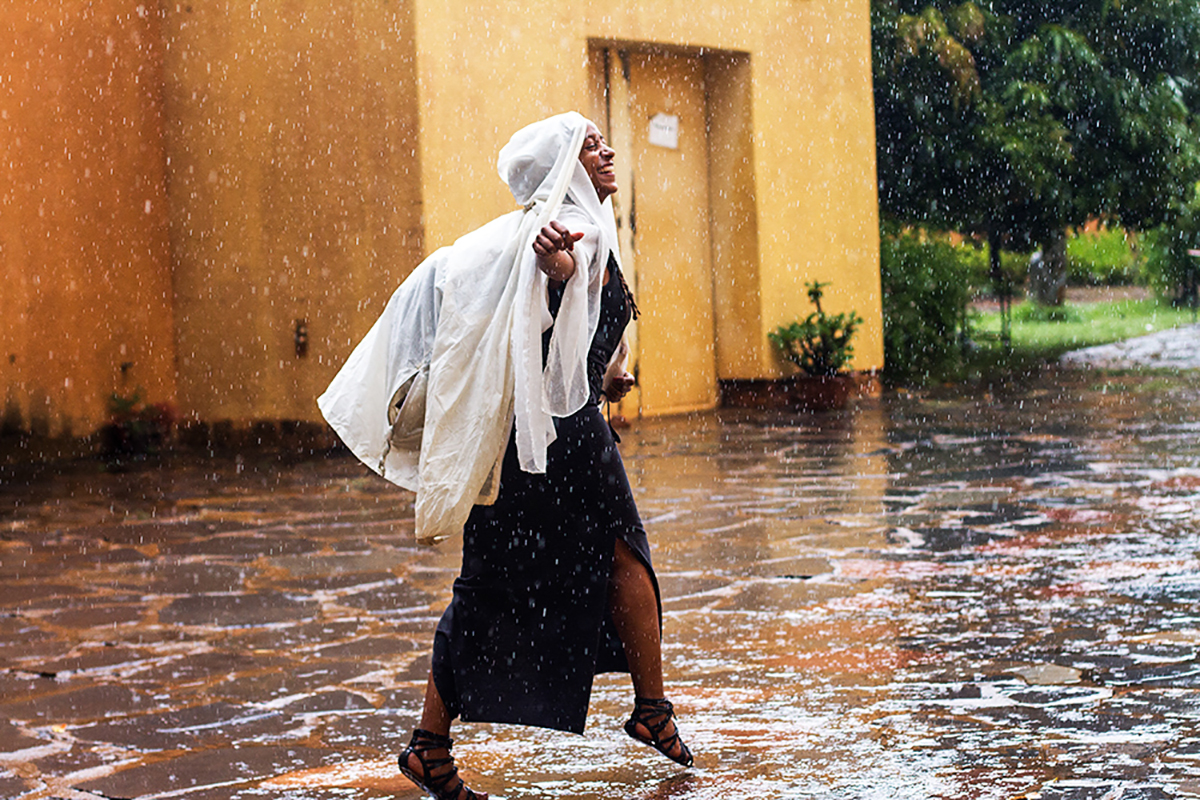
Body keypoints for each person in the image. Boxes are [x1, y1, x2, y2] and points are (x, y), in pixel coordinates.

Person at [393, 114, 693, 800]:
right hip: (548, 442)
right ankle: (650, 712)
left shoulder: (591, 227)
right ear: (563, 167)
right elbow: (555, 274)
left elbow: (565, 338)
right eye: (589, 144)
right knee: (612, 560)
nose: (606, 148)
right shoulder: (557, 234)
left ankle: (429, 745)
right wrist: (555, 268)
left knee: (496, 583)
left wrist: (605, 374)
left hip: (553, 436)